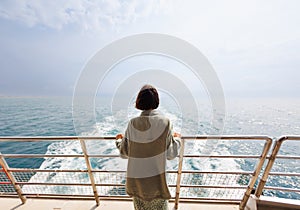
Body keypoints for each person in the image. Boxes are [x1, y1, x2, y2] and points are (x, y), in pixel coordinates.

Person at [115, 84, 181, 210]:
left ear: (139, 101)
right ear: (156, 101)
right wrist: (177, 139)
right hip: (157, 183)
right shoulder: (165, 122)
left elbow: (124, 152)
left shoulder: (132, 123)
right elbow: (171, 154)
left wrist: (119, 140)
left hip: (138, 183)